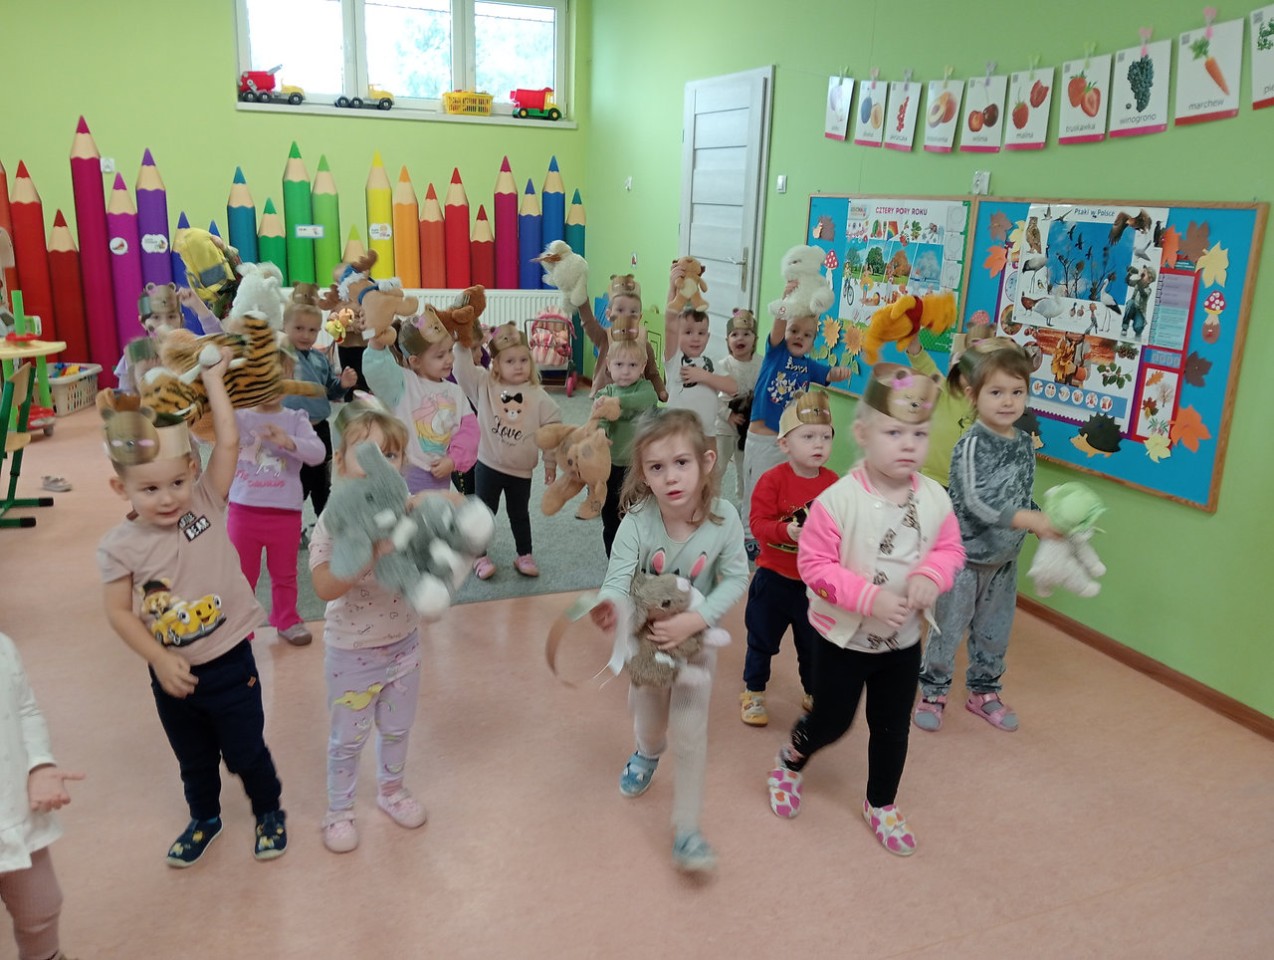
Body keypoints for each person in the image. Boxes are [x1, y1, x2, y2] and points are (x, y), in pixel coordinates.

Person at [98, 349, 288, 867]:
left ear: (192, 469)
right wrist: (159, 659)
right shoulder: (119, 547)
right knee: (194, 759)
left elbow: (228, 441)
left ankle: (269, 810)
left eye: (176, 483)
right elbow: (119, 612)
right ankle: (205, 818)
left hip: (230, 664)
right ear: (120, 487)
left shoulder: (203, 501)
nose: (167, 498)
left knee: (246, 752)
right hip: (173, 677)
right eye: (149, 488)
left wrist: (213, 378)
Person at [765, 363, 964, 857]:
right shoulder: (837, 501)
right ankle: (791, 759)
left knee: (893, 727)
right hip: (842, 640)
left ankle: (881, 803)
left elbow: (949, 549)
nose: (908, 445)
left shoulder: (935, 499)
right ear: (862, 434)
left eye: (919, 434)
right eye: (893, 432)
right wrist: (869, 598)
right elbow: (814, 566)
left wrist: (931, 575)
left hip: (902, 643)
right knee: (832, 722)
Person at [590, 409, 749, 872]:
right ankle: (646, 751)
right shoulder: (637, 521)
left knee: (690, 730)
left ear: (706, 462)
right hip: (648, 646)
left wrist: (696, 620)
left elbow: (736, 578)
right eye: (657, 467)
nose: (671, 477)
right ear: (643, 473)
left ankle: (687, 830)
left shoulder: (725, 518)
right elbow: (618, 579)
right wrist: (611, 606)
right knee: (649, 718)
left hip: (696, 646)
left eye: (681, 463)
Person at [914, 341, 1060, 734]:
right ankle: (933, 691)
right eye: (996, 392)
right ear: (972, 395)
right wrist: (1027, 518)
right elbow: (976, 501)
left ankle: (984, 691)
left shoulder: (1023, 443)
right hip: (964, 559)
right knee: (948, 629)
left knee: (994, 632)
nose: (1008, 401)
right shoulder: (971, 444)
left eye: (1017, 391)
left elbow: (1020, 494)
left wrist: (1044, 519)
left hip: (1004, 561)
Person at [308, 398, 432, 853]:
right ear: (341, 462)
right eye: (367, 454)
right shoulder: (333, 521)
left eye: (390, 455)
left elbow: (426, 560)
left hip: (404, 645)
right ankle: (339, 810)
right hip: (352, 654)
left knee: (398, 728)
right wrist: (370, 553)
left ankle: (391, 791)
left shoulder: (405, 512)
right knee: (347, 739)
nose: (380, 464)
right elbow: (324, 586)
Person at [739, 390, 838, 726]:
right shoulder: (773, 480)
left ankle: (813, 691)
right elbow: (757, 524)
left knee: (812, 645)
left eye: (825, 437)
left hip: (812, 586)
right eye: (808, 436)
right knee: (761, 640)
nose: (818, 444)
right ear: (785, 444)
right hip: (773, 580)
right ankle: (753, 692)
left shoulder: (833, 483)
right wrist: (786, 532)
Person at [453, 321, 561, 579]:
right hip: (488, 465)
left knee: (519, 514)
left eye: (523, 360)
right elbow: (461, 369)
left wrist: (550, 462)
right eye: (510, 361)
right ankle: (478, 556)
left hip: (521, 472)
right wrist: (461, 343)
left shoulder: (538, 395)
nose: (518, 366)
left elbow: (553, 429)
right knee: (483, 514)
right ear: (496, 364)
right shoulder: (484, 384)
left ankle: (524, 554)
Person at [0, 632, 84, 960]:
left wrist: (39, 765)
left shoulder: (3, 647)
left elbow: (25, 710)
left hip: (14, 813)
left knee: (42, 906)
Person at [742, 306, 851, 556]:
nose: (799, 336)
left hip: (789, 440)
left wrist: (840, 373)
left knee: (779, 486)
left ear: (813, 341)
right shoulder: (776, 353)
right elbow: (779, 324)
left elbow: (829, 374)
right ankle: (749, 534)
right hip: (764, 437)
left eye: (807, 334)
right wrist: (787, 301)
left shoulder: (809, 366)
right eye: (794, 330)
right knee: (758, 487)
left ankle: (776, 527)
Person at [227, 390, 326, 646]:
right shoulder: (238, 416)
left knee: (285, 573)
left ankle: (286, 619)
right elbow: (203, 433)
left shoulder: (296, 418)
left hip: (285, 512)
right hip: (244, 511)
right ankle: (241, 626)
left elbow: (318, 453)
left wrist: (289, 441)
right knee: (242, 574)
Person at [363, 310, 478, 496]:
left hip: (439, 476)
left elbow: (469, 432)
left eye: (450, 350)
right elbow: (379, 370)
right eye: (440, 355)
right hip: (402, 473)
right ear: (415, 361)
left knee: (434, 512)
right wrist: (376, 342)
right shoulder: (402, 383)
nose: (449, 359)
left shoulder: (456, 392)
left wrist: (453, 459)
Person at [281, 292, 358, 520]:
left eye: (313, 330)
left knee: (322, 482)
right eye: (299, 328)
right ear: (284, 327)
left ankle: (325, 523)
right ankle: (289, 522)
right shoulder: (281, 356)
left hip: (319, 429)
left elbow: (330, 390)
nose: (306, 335)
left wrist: (342, 384)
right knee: (294, 483)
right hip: (290, 431)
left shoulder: (320, 358)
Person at [593, 336, 660, 556]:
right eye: (619, 364)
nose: (625, 371)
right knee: (611, 516)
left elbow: (648, 399)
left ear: (642, 367)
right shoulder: (605, 393)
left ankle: (641, 557)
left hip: (638, 466)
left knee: (641, 514)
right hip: (611, 465)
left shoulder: (645, 388)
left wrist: (619, 403)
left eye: (632, 365)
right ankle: (614, 559)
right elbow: (600, 420)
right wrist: (601, 430)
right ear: (608, 365)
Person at [662, 271, 738, 438]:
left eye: (701, 333)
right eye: (688, 332)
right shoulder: (675, 359)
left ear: (708, 337)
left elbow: (733, 387)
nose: (695, 338)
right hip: (678, 434)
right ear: (678, 334)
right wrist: (672, 288)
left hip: (707, 434)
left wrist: (704, 376)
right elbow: (670, 324)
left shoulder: (710, 362)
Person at [578, 274, 667, 400]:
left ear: (640, 317)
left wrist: (661, 391)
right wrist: (581, 299)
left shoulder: (644, 345)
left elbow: (652, 374)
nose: (627, 316)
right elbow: (588, 322)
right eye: (620, 310)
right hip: (605, 400)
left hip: (635, 401)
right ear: (609, 314)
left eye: (633, 312)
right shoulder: (604, 337)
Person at [712, 309, 761, 504]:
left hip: (747, 426)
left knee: (744, 466)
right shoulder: (724, 365)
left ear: (755, 339)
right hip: (724, 425)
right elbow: (713, 397)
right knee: (718, 465)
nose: (740, 338)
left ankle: (743, 501)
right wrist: (728, 415)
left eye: (746, 334)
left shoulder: (760, 363)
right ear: (727, 341)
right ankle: (712, 501)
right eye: (734, 334)